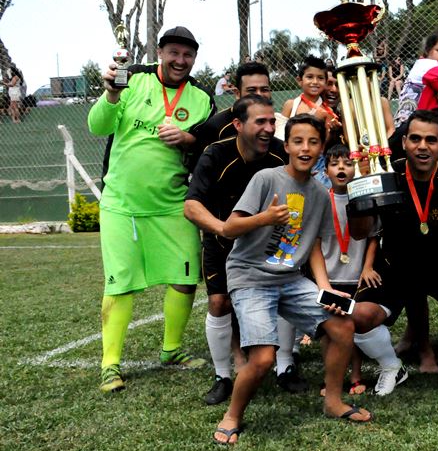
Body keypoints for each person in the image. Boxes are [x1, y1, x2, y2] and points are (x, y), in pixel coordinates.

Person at [213, 115, 371, 445]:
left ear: (321, 149)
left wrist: (324, 286)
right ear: (286, 146)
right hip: (250, 278)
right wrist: (264, 219)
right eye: (298, 141)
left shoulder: (318, 192)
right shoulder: (266, 179)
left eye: (313, 142)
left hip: (290, 279)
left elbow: (312, 242)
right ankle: (232, 415)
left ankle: (333, 401)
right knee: (263, 359)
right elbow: (229, 228)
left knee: (342, 327)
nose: (305, 148)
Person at [88, 25, 215, 393]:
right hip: (122, 205)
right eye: (173, 52)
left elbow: (207, 144)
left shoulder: (202, 98)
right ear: (160, 52)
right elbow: (98, 126)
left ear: (194, 58)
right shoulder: (133, 81)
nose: (180, 60)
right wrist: (111, 94)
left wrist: (188, 138)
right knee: (121, 283)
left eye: (187, 55)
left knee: (185, 276)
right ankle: (110, 365)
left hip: (173, 205)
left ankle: (171, 350)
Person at [349, 111, 438, 393]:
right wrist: (360, 192)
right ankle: (392, 367)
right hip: (395, 266)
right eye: (415, 139)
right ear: (404, 142)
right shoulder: (386, 174)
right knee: (359, 316)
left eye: (430, 140)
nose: (422, 146)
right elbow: (358, 232)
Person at [184, 96, 288, 405]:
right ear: (238, 125)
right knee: (219, 302)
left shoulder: (280, 155)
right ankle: (223, 376)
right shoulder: (215, 155)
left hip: (268, 247)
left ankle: (286, 367)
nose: (269, 128)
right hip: (221, 245)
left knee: (282, 297)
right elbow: (191, 206)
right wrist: (222, 229)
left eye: (272, 121)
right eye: (261, 122)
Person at [320, 143, 383, 395]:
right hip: (329, 276)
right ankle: (329, 379)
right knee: (328, 330)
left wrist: (367, 267)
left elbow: (373, 236)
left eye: (347, 163)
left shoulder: (363, 199)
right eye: (335, 164)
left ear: (356, 168)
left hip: (355, 277)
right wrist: (320, 278)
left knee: (351, 328)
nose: (341, 168)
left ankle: (356, 375)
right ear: (326, 171)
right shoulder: (321, 200)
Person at [191, 61, 273, 150]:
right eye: (252, 90)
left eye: (264, 89)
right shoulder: (216, 127)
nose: (259, 95)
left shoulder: (275, 123)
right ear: (237, 94)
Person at [393, 31, 438, 126]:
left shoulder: (420, 63)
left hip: (403, 118)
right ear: (427, 50)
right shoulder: (433, 66)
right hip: (422, 121)